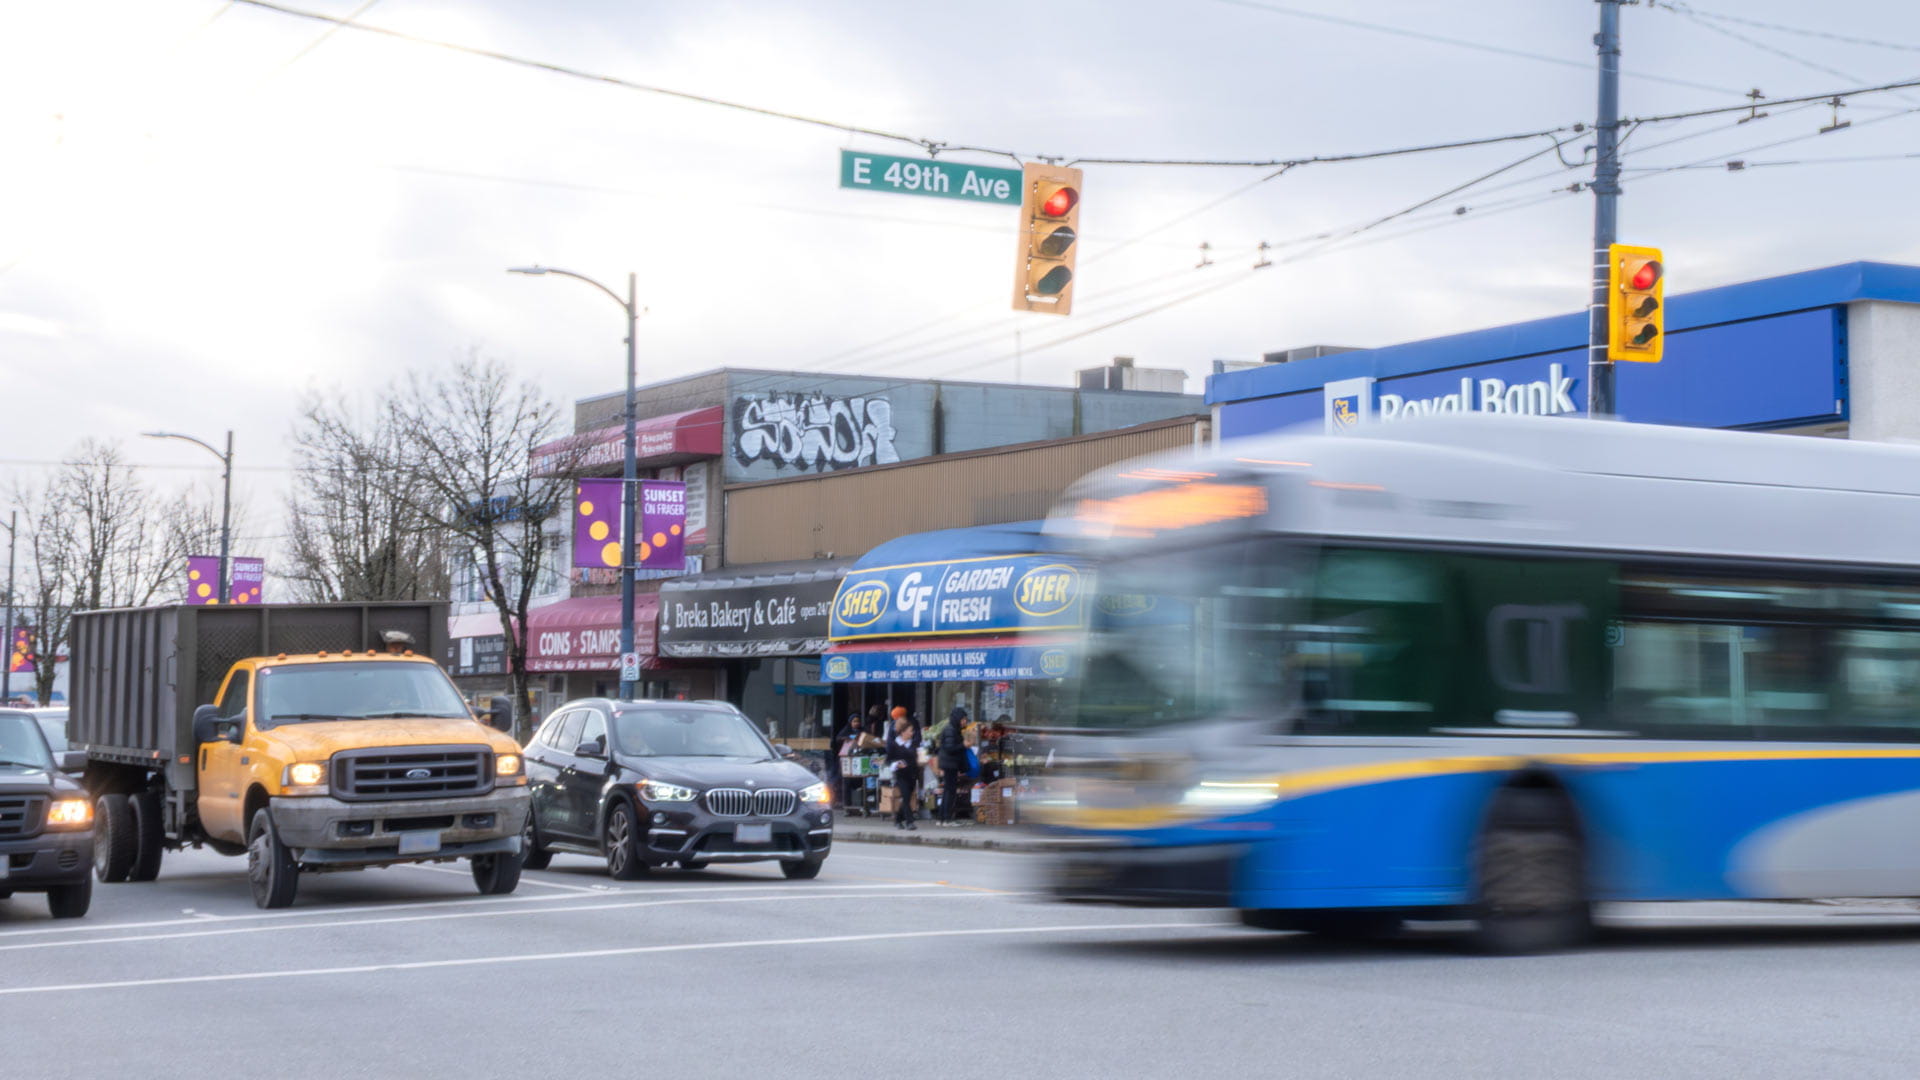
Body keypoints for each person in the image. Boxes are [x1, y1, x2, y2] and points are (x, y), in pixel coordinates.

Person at [883, 706, 922, 830]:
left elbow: (917, 756)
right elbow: (888, 761)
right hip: (900, 774)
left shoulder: (914, 744)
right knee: (905, 796)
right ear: (903, 732)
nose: (913, 733)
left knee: (907, 796)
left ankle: (898, 819)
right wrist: (896, 764)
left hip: (912, 774)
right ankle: (909, 822)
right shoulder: (893, 745)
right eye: (910, 731)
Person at [935, 704, 971, 826]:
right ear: (957, 719)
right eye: (963, 719)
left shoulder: (953, 729)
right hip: (949, 764)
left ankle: (942, 818)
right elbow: (950, 748)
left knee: (947, 790)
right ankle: (947, 818)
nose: (965, 722)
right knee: (950, 791)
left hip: (949, 763)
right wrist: (963, 745)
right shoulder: (950, 729)